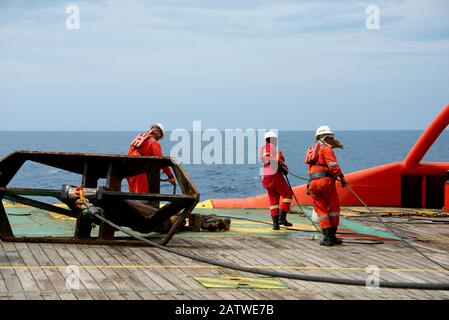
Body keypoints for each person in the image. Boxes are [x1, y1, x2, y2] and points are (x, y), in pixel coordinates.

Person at [305, 125, 347, 246]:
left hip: (313, 183)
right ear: (327, 137)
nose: (333, 140)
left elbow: (311, 169)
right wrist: (342, 178)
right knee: (333, 208)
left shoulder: (312, 150)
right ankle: (332, 236)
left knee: (321, 210)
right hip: (326, 182)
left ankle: (327, 237)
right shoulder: (327, 149)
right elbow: (333, 166)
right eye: (331, 138)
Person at [127, 123, 176, 193]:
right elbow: (161, 162)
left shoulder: (137, 139)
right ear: (159, 134)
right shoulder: (154, 143)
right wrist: (170, 176)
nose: (159, 139)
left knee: (132, 195)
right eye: (160, 137)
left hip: (128, 170)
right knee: (141, 196)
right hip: (139, 172)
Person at [260, 131, 293, 230]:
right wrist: (282, 168)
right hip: (275, 176)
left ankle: (275, 224)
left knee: (273, 200)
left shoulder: (264, 149)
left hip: (266, 177)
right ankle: (282, 218)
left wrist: (282, 167)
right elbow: (274, 160)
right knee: (287, 194)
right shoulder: (272, 148)